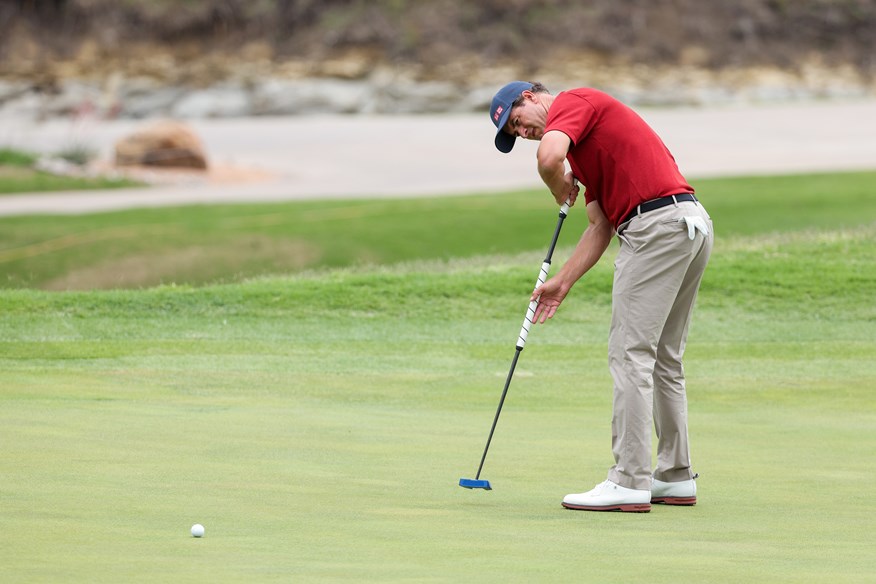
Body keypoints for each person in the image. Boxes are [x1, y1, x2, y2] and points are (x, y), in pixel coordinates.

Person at [489, 81, 713, 513]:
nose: (524, 133)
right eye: (516, 134)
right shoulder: (586, 146)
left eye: (518, 122)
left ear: (532, 97)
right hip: (688, 223)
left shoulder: (573, 102)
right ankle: (674, 476)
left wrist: (557, 184)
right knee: (664, 357)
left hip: (655, 228)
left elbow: (548, 157)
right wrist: (563, 281)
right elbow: (599, 226)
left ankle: (629, 480)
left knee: (631, 355)